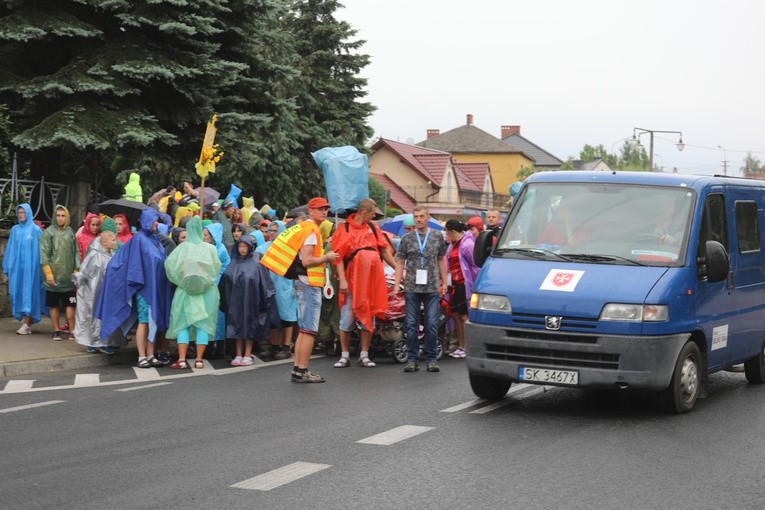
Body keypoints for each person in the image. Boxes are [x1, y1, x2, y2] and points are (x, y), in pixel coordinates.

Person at [261, 197, 339, 383]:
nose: (324, 212)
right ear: (311, 211)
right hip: (309, 283)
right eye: (320, 209)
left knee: (304, 330)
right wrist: (327, 257)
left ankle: (298, 369)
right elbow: (307, 260)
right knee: (309, 330)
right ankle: (302, 369)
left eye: (326, 209)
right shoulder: (312, 230)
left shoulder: (304, 228)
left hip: (302, 282)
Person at [95, 208, 173, 368]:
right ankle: (142, 356)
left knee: (154, 321)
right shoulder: (139, 239)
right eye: (154, 220)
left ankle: (151, 355)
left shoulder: (154, 239)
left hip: (155, 287)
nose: (156, 223)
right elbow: (128, 263)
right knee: (144, 321)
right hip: (144, 288)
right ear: (146, 221)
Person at [331, 198, 397, 368]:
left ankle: (364, 355)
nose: (374, 217)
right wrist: (343, 281)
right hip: (352, 281)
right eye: (373, 214)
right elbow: (338, 258)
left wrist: (398, 269)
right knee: (347, 318)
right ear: (364, 212)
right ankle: (344, 355)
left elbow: (384, 250)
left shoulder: (373, 228)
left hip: (371, 282)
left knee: (369, 317)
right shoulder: (344, 229)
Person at [394, 205, 447, 373]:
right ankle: (412, 358)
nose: (419, 219)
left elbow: (441, 259)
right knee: (411, 324)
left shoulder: (438, 236)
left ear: (428, 217)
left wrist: (444, 282)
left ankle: (431, 358)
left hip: (431, 286)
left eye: (422, 216)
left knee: (431, 324)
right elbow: (400, 261)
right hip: (411, 286)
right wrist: (396, 284)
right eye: (416, 216)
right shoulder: (407, 238)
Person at [164, 216, 221, 369]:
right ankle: (199, 359)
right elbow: (216, 268)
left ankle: (181, 359)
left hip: (184, 292)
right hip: (207, 293)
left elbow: (169, 266)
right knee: (203, 324)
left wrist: (181, 281)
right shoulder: (210, 248)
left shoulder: (182, 248)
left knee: (182, 323)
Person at [220, 235, 275, 366]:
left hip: (252, 301)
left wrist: (263, 301)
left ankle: (248, 354)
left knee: (249, 327)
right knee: (237, 327)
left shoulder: (257, 263)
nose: (242, 249)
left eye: (245, 246)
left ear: (250, 247)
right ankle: (238, 354)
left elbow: (264, 283)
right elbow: (226, 280)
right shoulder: (234, 262)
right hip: (236, 301)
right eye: (240, 246)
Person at [72, 229, 119, 353]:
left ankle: (104, 341)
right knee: (91, 315)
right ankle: (91, 341)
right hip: (93, 292)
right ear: (104, 242)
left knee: (104, 316)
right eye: (113, 240)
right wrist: (78, 280)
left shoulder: (112, 255)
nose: (116, 242)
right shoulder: (94, 255)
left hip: (106, 292)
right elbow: (85, 271)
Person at [256, 220, 296, 361]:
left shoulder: (289, 248)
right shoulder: (262, 248)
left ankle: (286, 347)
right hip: (269, 286)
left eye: (274, 230)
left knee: (286, 317)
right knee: (272, 317)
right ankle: (274, 345)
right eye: (269, 230)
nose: (271, 233)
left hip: (285, 286)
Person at [39, 204, 79, 340]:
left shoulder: (71, 233)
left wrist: (76, 271)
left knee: (70, 304)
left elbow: (76, 254)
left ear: (67, 217)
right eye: (58, 215)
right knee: (54, 304)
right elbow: (44, 254)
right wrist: (48, 274)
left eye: (63, 216)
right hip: (54, 276)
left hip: (68, 277)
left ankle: (72, 329)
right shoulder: (48, 233)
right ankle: (56, 330)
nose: (60, 218)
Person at [3, 203, 43, 334]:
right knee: (17, 292)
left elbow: (41, 249)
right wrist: (8, 265)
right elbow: (10, 248)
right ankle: (27, 323)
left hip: (32, 270)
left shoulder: (35, 230)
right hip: (18, 269)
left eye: (23, 212)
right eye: (19, 212)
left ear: (29, 213)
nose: (21, 215)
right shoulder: (15, 230)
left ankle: (26, 324)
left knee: (30, 292)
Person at [443, 220, 480, 359]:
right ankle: (461, 345)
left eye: (447, 232)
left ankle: (466, 347)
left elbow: (475, 264)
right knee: (456, 315)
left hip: (464, 283)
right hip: (454, 284)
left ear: (452, 231)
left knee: (464, 316)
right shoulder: (452, 245)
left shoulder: (468, 244)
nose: (446, 235)